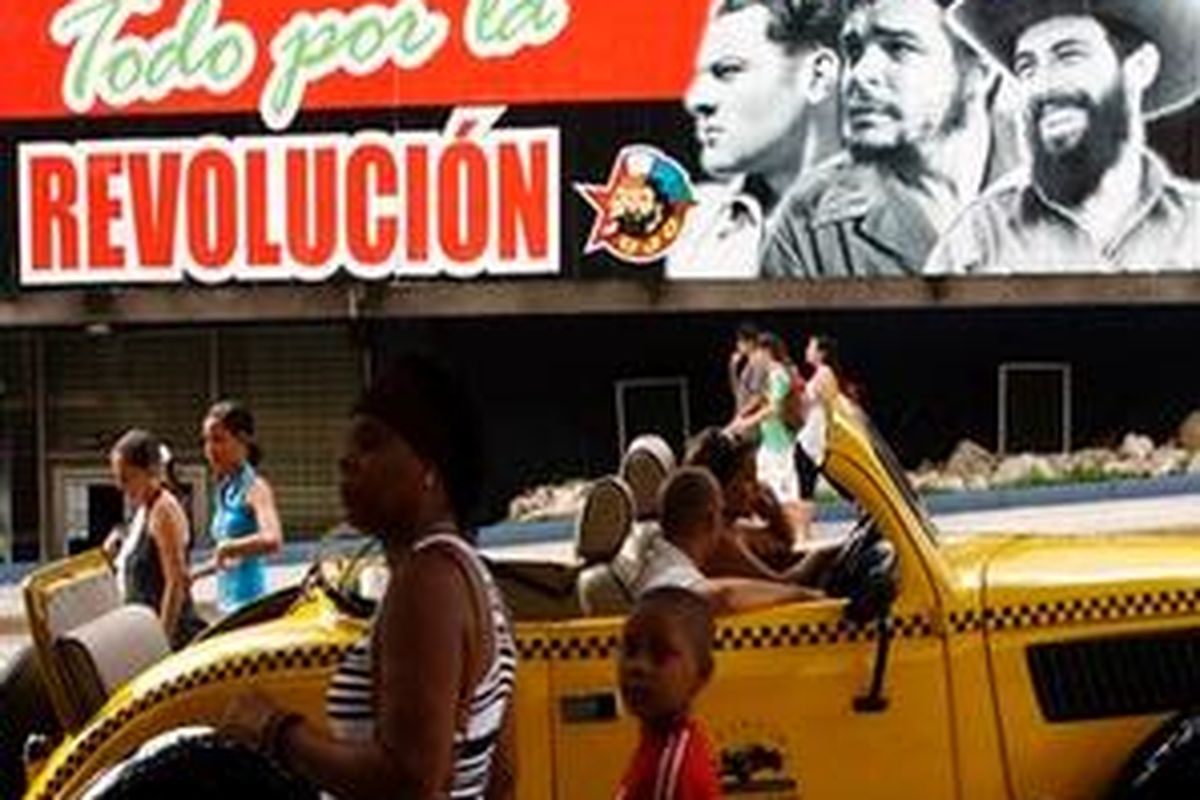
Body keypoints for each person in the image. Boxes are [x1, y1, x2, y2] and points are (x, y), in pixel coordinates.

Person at [220, 355, 516, 798]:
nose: (346, 460)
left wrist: (277, 730)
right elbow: (505, 775)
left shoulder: (426, 582)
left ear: (430, 468)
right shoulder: (472, 576)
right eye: (349, 445)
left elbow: (410, 779)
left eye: (370, 444)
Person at [926, 0, 1200, 273]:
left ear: (1140, 66)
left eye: (1069, 56)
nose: (1043, 87)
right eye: (1027, 68)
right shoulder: (978, 238)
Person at [761, 0, 1020, 278]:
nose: (859, 75)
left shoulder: (1059, 180)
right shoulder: (807, 221)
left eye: (899, 48)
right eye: (854, 51)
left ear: (980, 70)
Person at [667, 0, 842, 279]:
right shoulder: (693, 228)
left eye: (728, 70)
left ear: (817, 76)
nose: (695, 99)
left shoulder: (899, 220)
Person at [631, 467, 822, 614]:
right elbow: (723, 596)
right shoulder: (668, 571)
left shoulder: (659, 555)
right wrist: (803, 595)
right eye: (720, 513)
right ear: (710, 520)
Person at [616, 587, 722, 799]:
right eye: (630, 649)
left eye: (660, 655)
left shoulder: (672, 770)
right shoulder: (659, 745)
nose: (638, 666)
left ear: (701, 673)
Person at [105, 429, 206, 649]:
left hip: (173, 639)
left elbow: (175, 581)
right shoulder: (144, 509)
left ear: (149, 471)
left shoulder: (164, 510)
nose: (120, 486)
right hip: (145, 633)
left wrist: (161, 642)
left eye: (126, 478)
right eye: (117, 478)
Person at [198, 401, 284, 615]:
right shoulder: (225, 488)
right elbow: (227, 559)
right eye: (206, 441)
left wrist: (227, 548)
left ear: (242, 439)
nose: (210, 450)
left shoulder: (256, 487)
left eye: (218, 440)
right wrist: (194, 574)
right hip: (226, 608)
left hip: (249, 610)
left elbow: (273, 540)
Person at [727, 333, 806, 536]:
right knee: (774, 480)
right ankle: (787, 527)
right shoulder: (773, 374)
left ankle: (790, 528)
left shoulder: (778, 374)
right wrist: (740, 418)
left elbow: (773, 408)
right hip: (772, 439)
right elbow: (760, 400)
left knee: (779, 483)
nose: (755, 358)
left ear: (767, 352)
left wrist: (747, 422)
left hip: (778, 438)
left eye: (758, 353)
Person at [727, 322, 766, 423]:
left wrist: (742, 414)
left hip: (752, 418)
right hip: (744, 414)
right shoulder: (748, 364)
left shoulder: (758, 362)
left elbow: (758, 395)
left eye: (740, 341)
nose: (737, 345)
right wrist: (732, 368)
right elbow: (737, 391)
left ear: (750, 342)